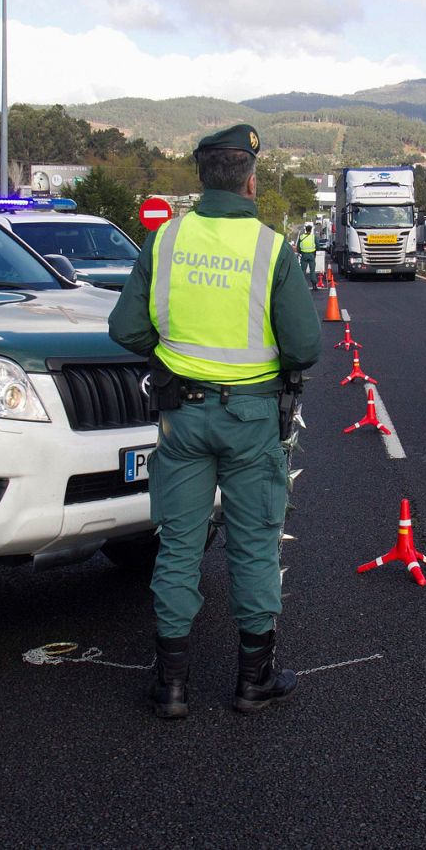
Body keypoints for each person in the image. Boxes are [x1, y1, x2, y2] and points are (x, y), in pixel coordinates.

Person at [109, 123, 321, 719]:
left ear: (202, 178)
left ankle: (171, 686)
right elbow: (304, 348)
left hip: (181, 415)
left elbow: (124, 329)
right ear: (251, 181)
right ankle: (254, 681)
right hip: (252, 418)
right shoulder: (272, 249)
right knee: (253, 546)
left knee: (178, 545)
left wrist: (170, 355)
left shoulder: (164, 241)